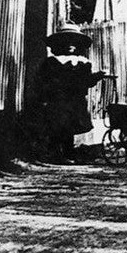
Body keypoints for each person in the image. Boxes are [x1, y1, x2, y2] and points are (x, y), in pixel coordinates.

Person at [37, 23, 104, 163]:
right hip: (58, 99)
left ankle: (68, 152)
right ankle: (55, 154)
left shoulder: (83, 63)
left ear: (79, 45)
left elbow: (86, 81)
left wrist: (97, 76)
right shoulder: (52, 62)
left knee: (71, 127)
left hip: (76, 99)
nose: (70, 45)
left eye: (74, 42)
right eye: (66, 41)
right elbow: (44, 81)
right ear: (58, 44)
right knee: (58, 126)